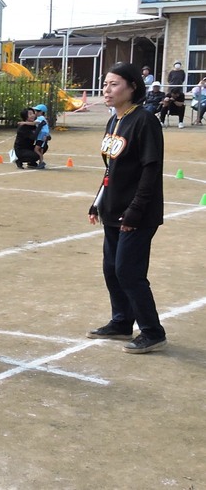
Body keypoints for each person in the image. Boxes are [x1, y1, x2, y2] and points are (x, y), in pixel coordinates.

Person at [87, 62, 167, 354]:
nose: (107, 90)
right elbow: (111, 170)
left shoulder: (145, 121)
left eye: (114, 84)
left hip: (137, 213)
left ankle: (152, 332)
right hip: (112, 208)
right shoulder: (114, 121)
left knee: (129, 272)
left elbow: (150, 171)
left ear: (133, 87)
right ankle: (122, 322)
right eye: (105, 84)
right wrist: (97, 202)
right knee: (111, 269)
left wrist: (135, 210)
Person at [32, 104, 51, 169]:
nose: (36, 112)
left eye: (38, 111)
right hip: (42, 136)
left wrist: (24, 123)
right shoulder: (41, 118)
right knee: (40, 150)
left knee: (36, 149)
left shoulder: (41, 118)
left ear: (41, 112)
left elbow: (33, 123)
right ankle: (40, 162)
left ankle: (42, 162)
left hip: (42, 136)